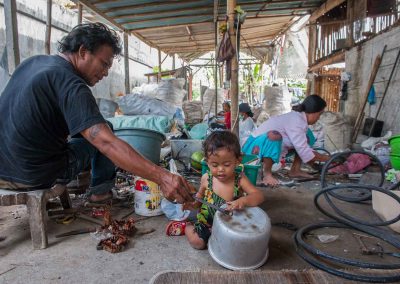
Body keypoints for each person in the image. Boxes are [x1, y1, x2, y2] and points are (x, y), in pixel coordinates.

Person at [0, 22, 194, 204]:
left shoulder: (33, 63)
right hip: (31, 177)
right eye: (104, 64)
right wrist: (163, 177)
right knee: (105, 130)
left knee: (87, 133)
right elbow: (106, 143)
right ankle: (100, 193)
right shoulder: (72, 85)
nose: (106, 73)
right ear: (83, 52)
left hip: (2, 171)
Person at [177, 131, 264, 250]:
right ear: (207, 162)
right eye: (214, 165)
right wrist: (192, 205)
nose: (221, 169)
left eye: (227, 164)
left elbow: (258, 196)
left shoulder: (239, 179)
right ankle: (187, 226)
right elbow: (199, 200)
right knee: (198, 243)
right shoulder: (206, 179)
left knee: (238, 247)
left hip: (231, 224)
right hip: (207, 223)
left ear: (238, 160)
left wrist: (243, 201)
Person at [242, 95, 330, 186]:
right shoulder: (296, 120)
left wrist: (318, 161)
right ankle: (267, 174)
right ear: (313, 111)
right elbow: (306, 152)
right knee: (274, 136)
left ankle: (295, 170)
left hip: (262, 145)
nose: (319, 118)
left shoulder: (299, 119)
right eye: (319, 114)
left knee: (307, 137)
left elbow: (303, 148)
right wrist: (330, 159)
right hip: (252, 149)